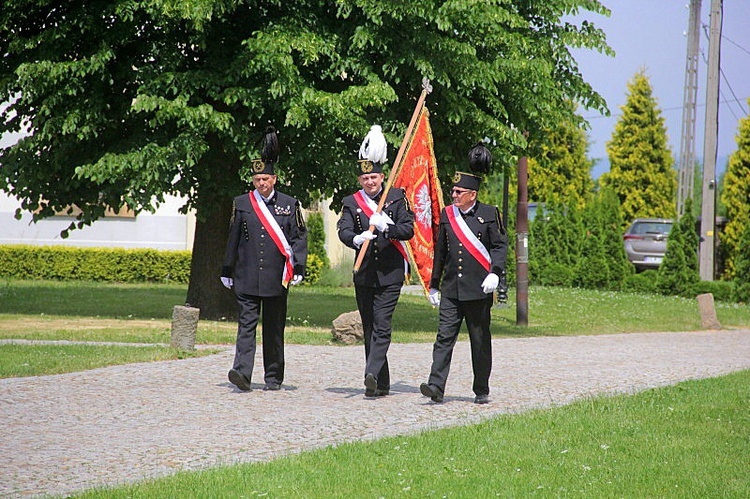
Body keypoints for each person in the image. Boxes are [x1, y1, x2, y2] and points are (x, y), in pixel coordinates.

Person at [221, 126, 307, 392]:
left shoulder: (289, 204)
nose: (262, 184)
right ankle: (242, 373)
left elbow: (298, 237)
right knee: (246, 326)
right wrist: (227, 269)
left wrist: (299, 267)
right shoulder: (242, 203)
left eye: (266, 179)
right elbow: (233, 237)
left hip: (276, 277)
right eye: (257, 180)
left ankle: (273, 377)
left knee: (273, 329)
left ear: (275, 179)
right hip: (246, 276)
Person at [420, 142, 507, 404]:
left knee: (480, 341)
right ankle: (436, 386)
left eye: (458, 192)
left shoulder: (490, 214)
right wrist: (434, 285)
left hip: (478, 290)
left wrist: (496, 273)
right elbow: (441, 253)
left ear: (472, 194)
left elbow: (500, 246)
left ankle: (481, 389)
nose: (454, 195)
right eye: (453, 191)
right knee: (443, 338)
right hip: (451, 290)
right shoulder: (449, 216)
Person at [337, 125, 415, 397]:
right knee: (370, 325)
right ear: (360, 180)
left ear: (382, 176)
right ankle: (380, 383)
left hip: (390, 272)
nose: (370, 182)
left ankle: (370, 372)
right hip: (365, 272)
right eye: (365, 178)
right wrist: (355, 239)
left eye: (374, 177)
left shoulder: (395, 198)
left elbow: (408, 229)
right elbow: (343, 229)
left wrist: (386, 227)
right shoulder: (351, 202)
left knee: (382, 323)